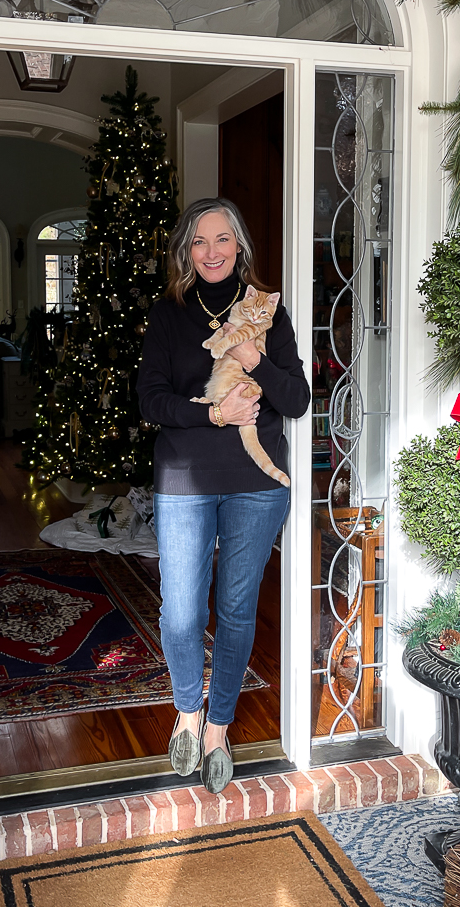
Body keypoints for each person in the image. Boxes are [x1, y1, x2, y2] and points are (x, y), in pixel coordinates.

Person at [136, 197, 310, 793]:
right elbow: (149, 400)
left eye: (222, 240)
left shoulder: (269, 314)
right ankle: (187, 709)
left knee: (236, 611)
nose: (211, 252)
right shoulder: (168, 315)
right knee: (181, 612)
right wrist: (213, 412)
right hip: (185, 480)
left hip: (257, 488)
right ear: (187, 251)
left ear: (240, 248)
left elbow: (297, 399)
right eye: (199, 242)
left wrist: (251, 358)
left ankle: (218, 727)